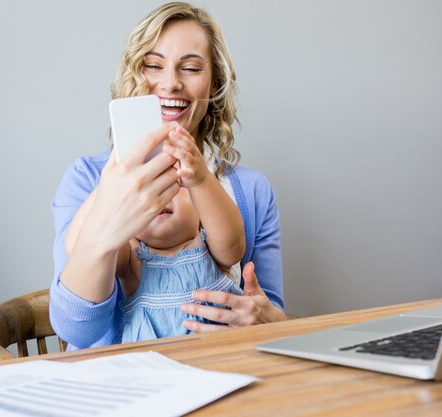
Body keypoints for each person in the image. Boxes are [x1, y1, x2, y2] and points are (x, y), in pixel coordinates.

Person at [50, 2, 287, 350]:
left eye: (191, 68)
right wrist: (112, 183)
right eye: (153, 65)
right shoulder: (88, 178)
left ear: (214, 82)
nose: (171, 83)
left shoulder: (251, 192)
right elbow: (76, 331)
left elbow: (273, 314)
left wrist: (262, 320)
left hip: (221, 376)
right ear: (134, 73)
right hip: (122, 389)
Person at [64, 122, 246, 343]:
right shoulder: (132, 256)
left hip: (220, 364)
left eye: (176, 183)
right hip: (151, 369)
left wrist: (201, 179)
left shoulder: (211, 248)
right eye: (149, 192)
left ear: (201, 211)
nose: (163, 196)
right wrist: (107, 188)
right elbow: (77, 247)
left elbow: (233, 246)